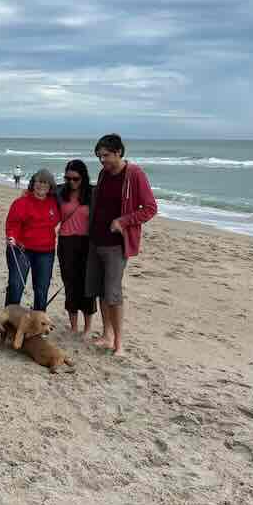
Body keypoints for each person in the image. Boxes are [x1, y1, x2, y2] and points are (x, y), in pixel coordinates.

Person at [86, 133, 157, 356]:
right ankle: (106, 335)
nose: (102, 160)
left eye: (106, 156)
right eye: (99, 157)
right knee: (100, 291)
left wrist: (123, 221)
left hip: (117, 245)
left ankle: (119, 343)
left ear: (118, 152)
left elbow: (150, 208)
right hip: (96, 241)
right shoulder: (104, 173)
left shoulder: (135, 174)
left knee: (113, 294)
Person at [4, 169, 60, 311]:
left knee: (42, 288)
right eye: (39, 182)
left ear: (50, 186)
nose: (41, 185)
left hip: (46, 252)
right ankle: (9, 317)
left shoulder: (55, 202)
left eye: (45, 183)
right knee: (16, 285)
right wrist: (12, 237)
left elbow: (69, 187)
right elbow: (13, 223)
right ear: (33, 183)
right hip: (22, 250)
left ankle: (38, 321)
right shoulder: (21, 202)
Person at [56, 159, 96, 337]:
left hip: (87, 243)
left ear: (83, 177)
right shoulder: (59, 192)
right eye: (68, 178)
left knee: (87, 285)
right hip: (66, 243)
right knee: (70, 284)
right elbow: (37, 186)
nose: (71, 182)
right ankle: (73, 326)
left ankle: (87, 328)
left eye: (75, 179)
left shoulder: (92, 193)